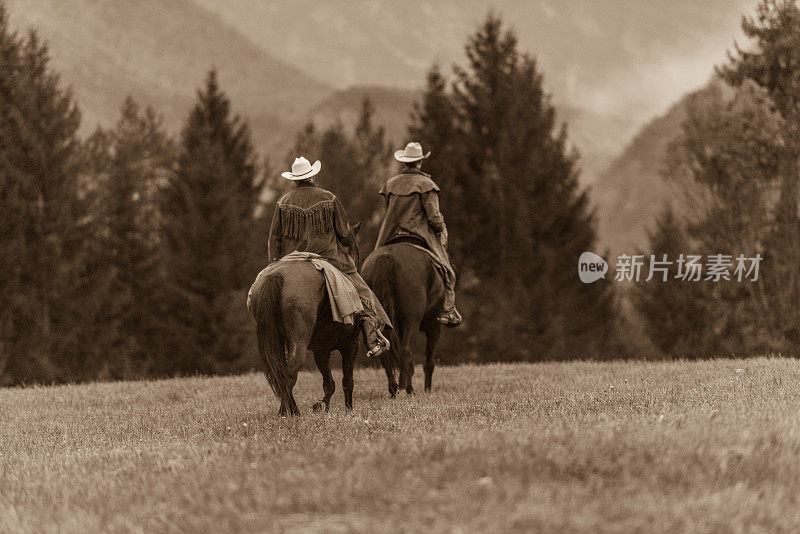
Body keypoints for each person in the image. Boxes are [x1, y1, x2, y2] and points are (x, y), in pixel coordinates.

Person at [268, 156, 391, 358]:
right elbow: (343, 232)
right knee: (363, 293)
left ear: (294, 179)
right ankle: (372, 337)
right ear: (312, 175)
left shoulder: (283, 202)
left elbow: (274, 239)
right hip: (329, 259)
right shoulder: (329, 198)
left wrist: (274, 263)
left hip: (291, 260)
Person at [375, 142, 461, 327]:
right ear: (420, 163)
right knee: (448, 271)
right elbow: (433, 217)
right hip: (419, 236)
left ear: (405, 162)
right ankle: (447, 311)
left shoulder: (390, 184)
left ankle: (371, 313)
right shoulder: (427, 185)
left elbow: (388, 212)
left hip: (390, 236)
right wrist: (441, 228)